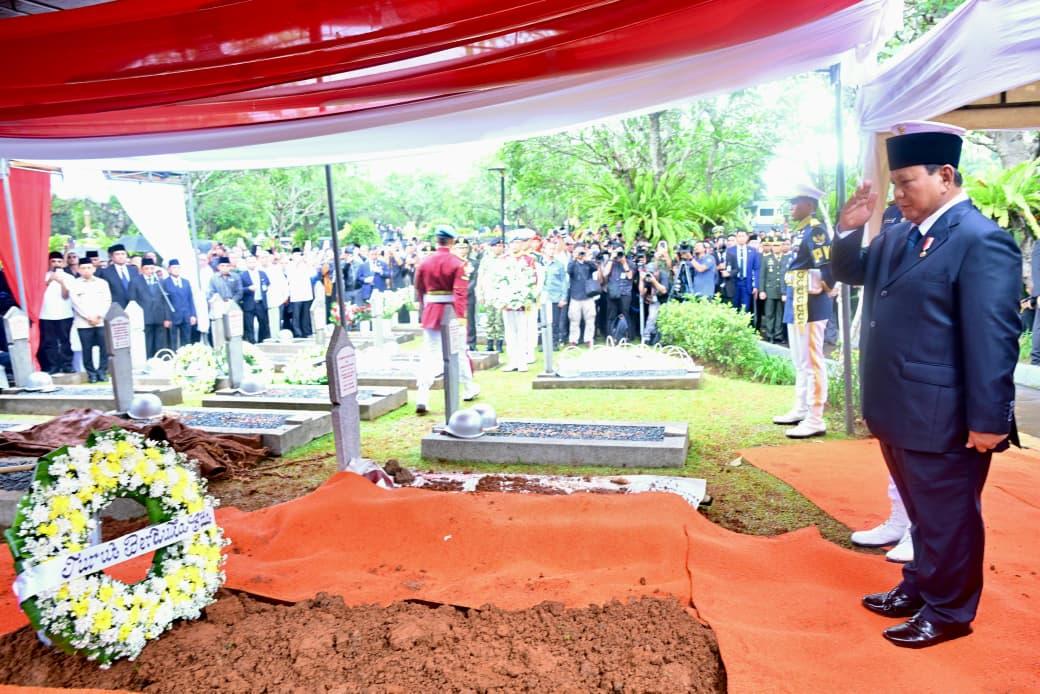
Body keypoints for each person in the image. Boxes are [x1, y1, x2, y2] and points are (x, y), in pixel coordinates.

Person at [831, 120, 1020, 649]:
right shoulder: (900, 233)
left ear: (946, 175)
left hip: (948, 415)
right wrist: (849, 229)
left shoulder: (983, 241)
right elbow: (855, 274)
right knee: (922, 515)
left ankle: (950, 610)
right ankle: (919, 586)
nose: (898, 194)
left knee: (950, 518)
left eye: (906, 182)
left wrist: (989, 420)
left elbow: (994, 337)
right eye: (894, 184)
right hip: (901, 407)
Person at [848, 197, 914, 564]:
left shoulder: (963, 239)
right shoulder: (891, 242)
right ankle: (900, 519)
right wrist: (848, 230)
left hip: (925, 372)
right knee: (894, 450)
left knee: (920, 458)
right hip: (887, 364)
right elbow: (849, 269)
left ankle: (919, 531)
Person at [773, 184, 833, 438]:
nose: (791, 207)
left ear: (809, 204)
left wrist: (822, 287)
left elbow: (827, 268)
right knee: (799, 361)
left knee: (812, 361)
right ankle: (801, 408)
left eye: (795, 203)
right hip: (796, 303)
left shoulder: (816, 230)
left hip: (810, 305)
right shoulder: (802, 231)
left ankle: (816, 416)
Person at [412, 225, 479, 415]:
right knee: (458, 352)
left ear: (437, 240)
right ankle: (468, 387)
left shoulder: (425, 262)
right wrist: (461, 317)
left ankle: (422, 396)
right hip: (451, 312)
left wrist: (422, 312)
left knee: (430, 354)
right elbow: (459, 292)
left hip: (432, 311)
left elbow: (419, 290)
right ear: (452, 241)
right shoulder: (458, 263)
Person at [69, 259, 111, 383]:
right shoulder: (75, 284)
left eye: (89, 267)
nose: (86, 270)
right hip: (84, 323)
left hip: (100, 321)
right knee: (87, 349)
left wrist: (99, 315)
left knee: (104, 348)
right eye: (83, 268)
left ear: (94, 269)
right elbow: (75, 303)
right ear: (78, 269)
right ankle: (91, 373)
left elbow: (107, 301)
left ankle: (102, 371)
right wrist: (88, 317)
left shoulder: (102, 283)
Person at [38, 252, 75, 374]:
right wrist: (49, 280)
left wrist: (62, 283)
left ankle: (67, 365)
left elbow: (66, 296)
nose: (56, 264)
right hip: (46, 314)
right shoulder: (41, 276)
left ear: (63, 263)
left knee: (65, 341)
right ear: (49, 262)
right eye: (54, 261)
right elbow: (38, 294)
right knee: (49, 342)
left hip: (64, 314)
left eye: (59, 261)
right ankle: (53, 366)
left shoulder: (69, 277)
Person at [130, 257, 173, 358]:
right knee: (147, 342)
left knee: (160, 342)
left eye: (151, 268)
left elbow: (165, 301)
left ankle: (160, 361)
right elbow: (132, 301)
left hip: (159, 317)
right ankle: (147, 361)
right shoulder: (135, 282)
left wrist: (167, 318)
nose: (149, 271)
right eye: (147, 268)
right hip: (144, 317)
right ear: (141, 269)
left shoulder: (160, 282)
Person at [567, 245, 600, 347]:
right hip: (575, 296)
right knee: (574, 320)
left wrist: (586, 258)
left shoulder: (588, 264)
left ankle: (589, 339)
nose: (581, 254)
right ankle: (573, 340)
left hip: (588, 296)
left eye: (582, 252)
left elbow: (595, 268)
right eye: (579, 252)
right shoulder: (572, 263)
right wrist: (574, 257)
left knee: (590, 319)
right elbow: (569, 270)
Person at [757, 236, 788, 344]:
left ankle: (778, 335)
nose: (776, 248)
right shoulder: (766, 259)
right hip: (769, 291)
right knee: (769, 314)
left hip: (781, 291)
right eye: (774, 245)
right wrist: (762, 290)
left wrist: (786, 292)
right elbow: (762, 276)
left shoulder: (786, 258)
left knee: (780, 314)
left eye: (778, 245)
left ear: (781, 246)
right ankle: (769, 335)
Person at [162, 259, 196, 351]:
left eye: (178, 267)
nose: (176, 269)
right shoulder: (165, 283)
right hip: (173, 317)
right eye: (174, 268)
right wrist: (166, 318)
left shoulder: (186, 282)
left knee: (187, 341)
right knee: (173, 342)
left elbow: (190, 299)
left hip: (186, 315)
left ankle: (186, 359)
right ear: (169, 269)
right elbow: (164, 302)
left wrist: (193, 314)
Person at [239, 254, 271, 343]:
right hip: (249, 303)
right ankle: (251, 342)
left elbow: (267, 283)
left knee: (263, 323)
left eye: (253, 261)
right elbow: (239, 289)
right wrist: (248, 289)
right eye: (249, 262)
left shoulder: (262, 273)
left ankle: (263, 341)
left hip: (260, 302)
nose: (252, 264)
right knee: (249, 325)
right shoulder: (242, 275)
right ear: (246, 263)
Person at [726, 230, 759, 313]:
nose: (741, 238)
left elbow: (756, 268)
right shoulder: (730, 250)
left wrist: (755, 286)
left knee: (745, 308)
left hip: (746, 282)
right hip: (734, 282)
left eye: (743, 236)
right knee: (733, 308)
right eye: (739, 236)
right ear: (736, 238)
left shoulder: (753, 251)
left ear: (747, 238)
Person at [99, 243, 139, 309]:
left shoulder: (133, 269)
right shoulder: (105, 272)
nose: (121, 256)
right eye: (117, 254)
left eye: (123, 254)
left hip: (134, 306)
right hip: (116, 307)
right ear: (112, 257)